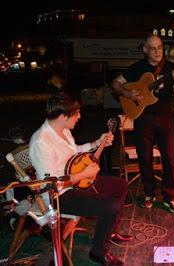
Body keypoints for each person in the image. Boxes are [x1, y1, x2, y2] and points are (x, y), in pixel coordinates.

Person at [29, 92, 131, 265]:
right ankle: (98, 252)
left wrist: (96, 144)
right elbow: (53, 184)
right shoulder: (41, 143)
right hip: (59, 196)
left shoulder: (63, 129)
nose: (79, 116)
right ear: (63, 116)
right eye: (76, 113)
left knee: (120, 186)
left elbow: (74, 151)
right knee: (111, 206)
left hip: (77, 182)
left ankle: (108, 229)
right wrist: (84, 175)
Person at [112, 34, 174, 213]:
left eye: (160, 47)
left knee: (169, 158)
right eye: (152, 48)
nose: (157, 51)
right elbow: (115, 83)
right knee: (144, 159)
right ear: (145, 50)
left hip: (165, 119)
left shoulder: (171, 68)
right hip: (143, 120)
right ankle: (149, 193)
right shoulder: (138, 68)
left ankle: (170, 196)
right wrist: (128, 94)